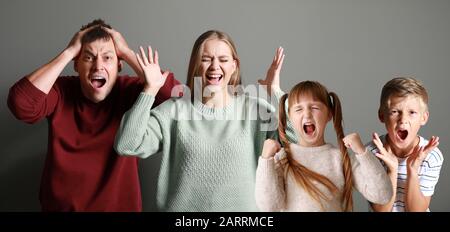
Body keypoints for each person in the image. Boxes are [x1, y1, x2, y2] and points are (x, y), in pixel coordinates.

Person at [7, 19, 180, 211]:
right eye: (88, 57)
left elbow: (180, 101)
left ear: (119, 65)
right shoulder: (61, 91)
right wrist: (69, 52)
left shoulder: (131, 91)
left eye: (107, 58)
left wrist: (127, 52)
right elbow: (20, 104)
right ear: (76, 65)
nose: (98, 66)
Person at [114, 30, 295, 211]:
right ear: (195, 65)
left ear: (234, 66)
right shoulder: (174, 111)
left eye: (223, 60)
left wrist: (276, 93)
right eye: (206, 59)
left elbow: (298, 143)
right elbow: (127, 144)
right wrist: (150, 89)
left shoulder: (256, 111)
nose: (215, 66)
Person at [255, 81, 393, 211]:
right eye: (298, 109)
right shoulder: (282, 158)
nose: (307, 114)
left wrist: (362, 152)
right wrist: (266, 160)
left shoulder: (341, 158)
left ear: (329, 114)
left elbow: (382, 195)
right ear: (289, 116)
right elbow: (269, 207)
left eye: (315, 107)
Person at [367, 77, 443, 212]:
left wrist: (413, 170)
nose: (403, 121)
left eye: (412, 112)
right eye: (395, 112)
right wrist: (392, 171)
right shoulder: (371, 153)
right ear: (382, 115)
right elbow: (381, 210)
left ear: (423, 118)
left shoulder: (431, 157)